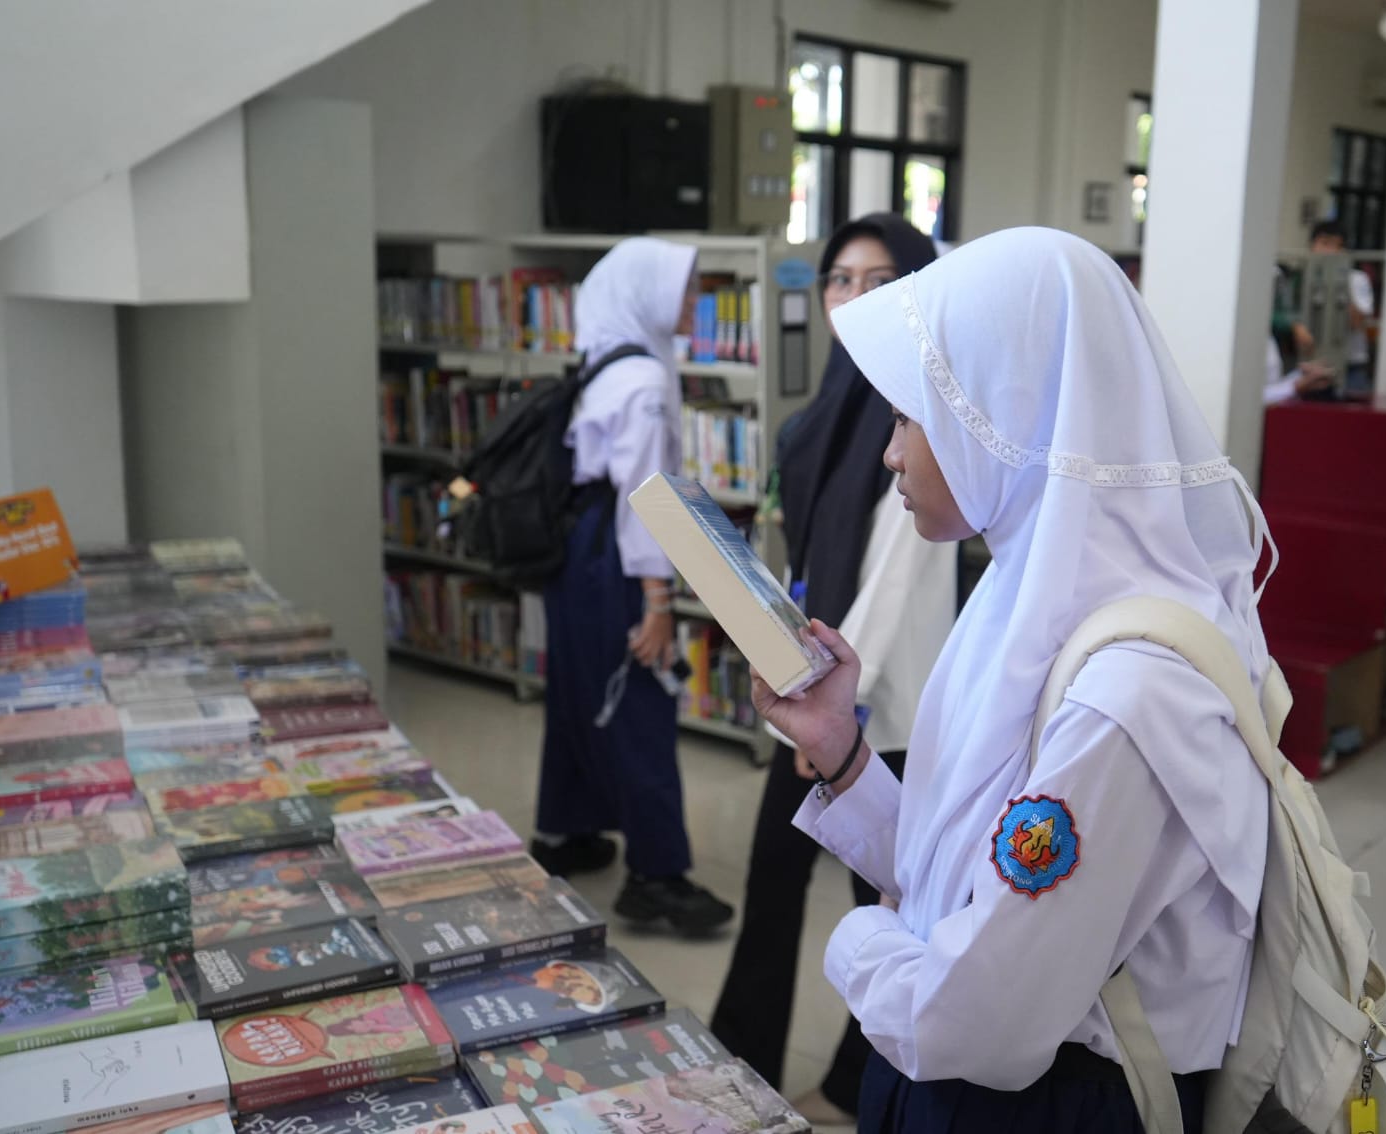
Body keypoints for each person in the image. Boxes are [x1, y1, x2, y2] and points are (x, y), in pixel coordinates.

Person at [750, 228, 1273, 1131]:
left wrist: (860, 940)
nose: (891, 453)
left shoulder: (1129, 696)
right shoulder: (1018, 600)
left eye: (910, 418)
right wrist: (842, 753)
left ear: (1004, 417)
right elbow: (961, 877)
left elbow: (975, 1023)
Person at [709, 214, 952, 1126]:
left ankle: (858, 1083)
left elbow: (894, 583)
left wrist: (836, 716)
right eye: (839, 279)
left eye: (877, 280)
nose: (852, 298)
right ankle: (738, 1064)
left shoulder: (919, 406)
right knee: (774, 880)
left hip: (880, 711)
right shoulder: (826, 411)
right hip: (822, 697)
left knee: (886, 901)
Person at [531, 237, 734, 935]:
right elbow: (647, 499)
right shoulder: (645, 380)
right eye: (685, 289)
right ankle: (656, 876)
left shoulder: (604, 359)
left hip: (576, 554)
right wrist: (657, 602)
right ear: (645, 290)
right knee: (639, 701)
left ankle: (564, 832)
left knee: (579, 691)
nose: (693, 303)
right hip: (614, 556)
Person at [1295, 220, 1376, 390]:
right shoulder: (1300, 276)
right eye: (1324, 243)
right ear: (1312, 245)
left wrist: (1341, 281)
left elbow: (1357, 323)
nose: (1330, 251)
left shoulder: (1357, 279)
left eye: (1336, 246)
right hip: (1307, 363)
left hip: (1350, 365)